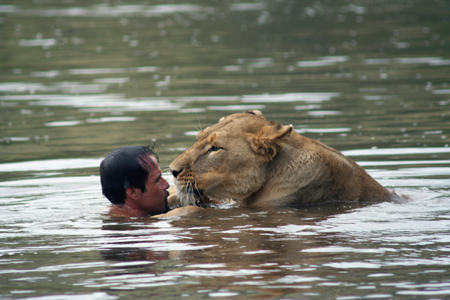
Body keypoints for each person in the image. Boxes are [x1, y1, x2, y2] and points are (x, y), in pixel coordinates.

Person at [100, 145, 202, 218]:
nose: (166, 185)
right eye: (157, 180)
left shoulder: (135, 214)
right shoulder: (132, 231)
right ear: (133, 192)